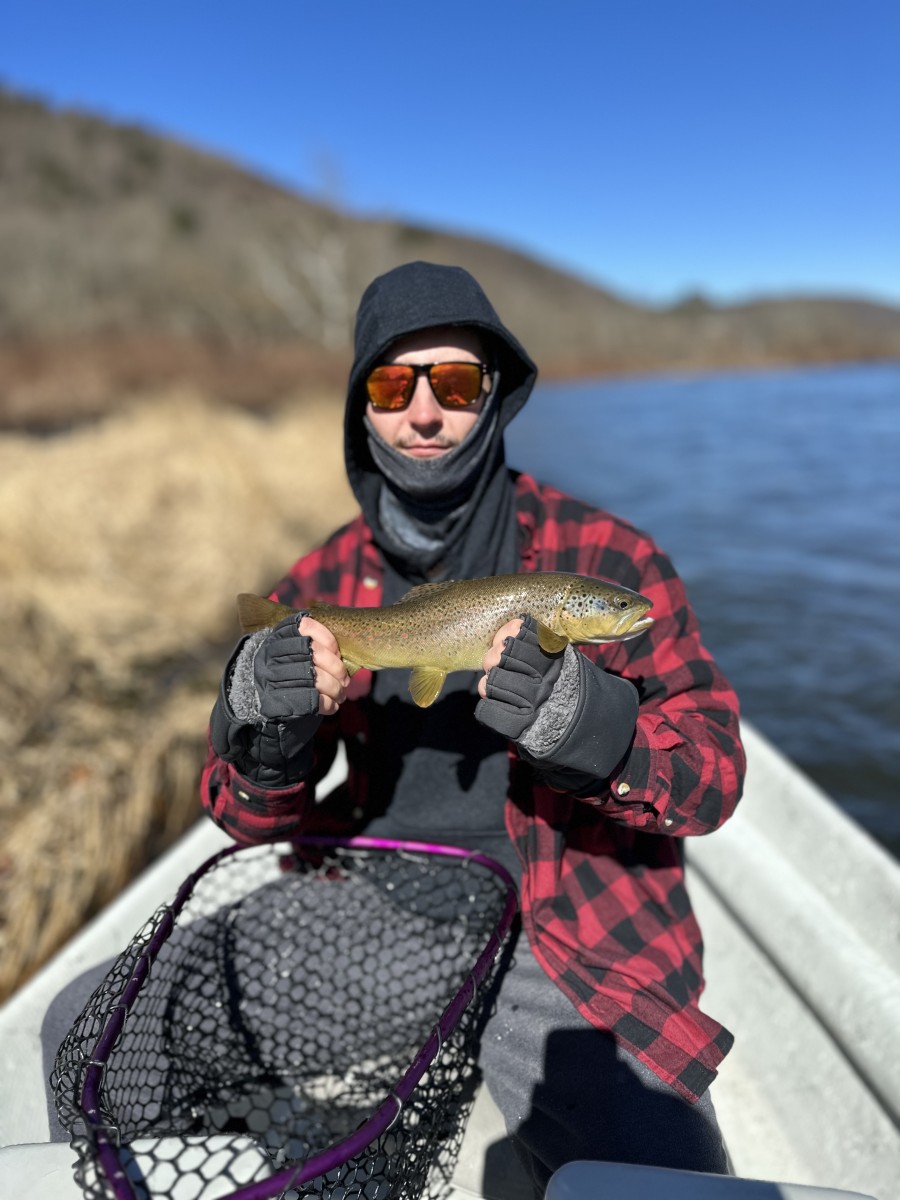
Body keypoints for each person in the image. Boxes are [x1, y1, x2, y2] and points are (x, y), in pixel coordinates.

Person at [202, 261, 745, 1191]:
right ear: (361, 409)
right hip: (370, 903)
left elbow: (714, 780)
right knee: (75, 1034)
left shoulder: (613, 557)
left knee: (666, 1173)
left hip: (571, 929)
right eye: (391, 384)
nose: (424, 413)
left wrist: (597, 731)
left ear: (494, 394)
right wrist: (260, 729)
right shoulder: (318, 584)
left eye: (453, 382)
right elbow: (245, 819)